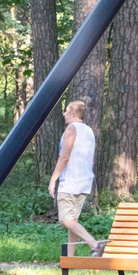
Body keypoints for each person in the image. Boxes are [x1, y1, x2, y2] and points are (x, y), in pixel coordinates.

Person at [49, 101, 104, 258]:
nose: (64, 113)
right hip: (85, 181)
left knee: (66, 220)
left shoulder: (71, 129)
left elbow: (64, 157)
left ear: (73, 112)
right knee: (72, 222)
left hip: (70, 182)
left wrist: (53, 179)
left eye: (66, 110)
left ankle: (95, 244)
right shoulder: (88, 131)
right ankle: (70, 260)